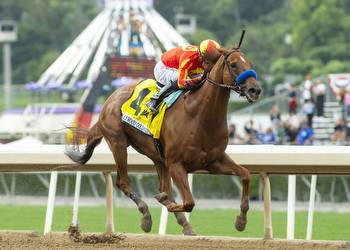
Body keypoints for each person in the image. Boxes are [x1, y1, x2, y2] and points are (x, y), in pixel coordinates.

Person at [146, 40, 221, 113]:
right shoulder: (189, 58)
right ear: (201, 55)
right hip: (164, 68)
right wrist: (198, 79)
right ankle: (154, 100)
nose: (210, 64)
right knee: (186, 80)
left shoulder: (205, 56)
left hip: (182, 68)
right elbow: (181, 83)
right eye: (208, 61)